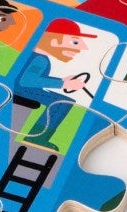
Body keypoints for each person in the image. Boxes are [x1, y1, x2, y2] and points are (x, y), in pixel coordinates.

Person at [14, 18, 99, 147]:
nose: (82, 48)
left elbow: (32, 78)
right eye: (75, 42)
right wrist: (63, 84)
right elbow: (27, 81)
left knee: (61, 100)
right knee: (61, 103)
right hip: (20, 90)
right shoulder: (40, 59)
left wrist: (62, 81)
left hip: (23, 88)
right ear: (53, 41)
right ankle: (37, 138)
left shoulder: (38, 56)